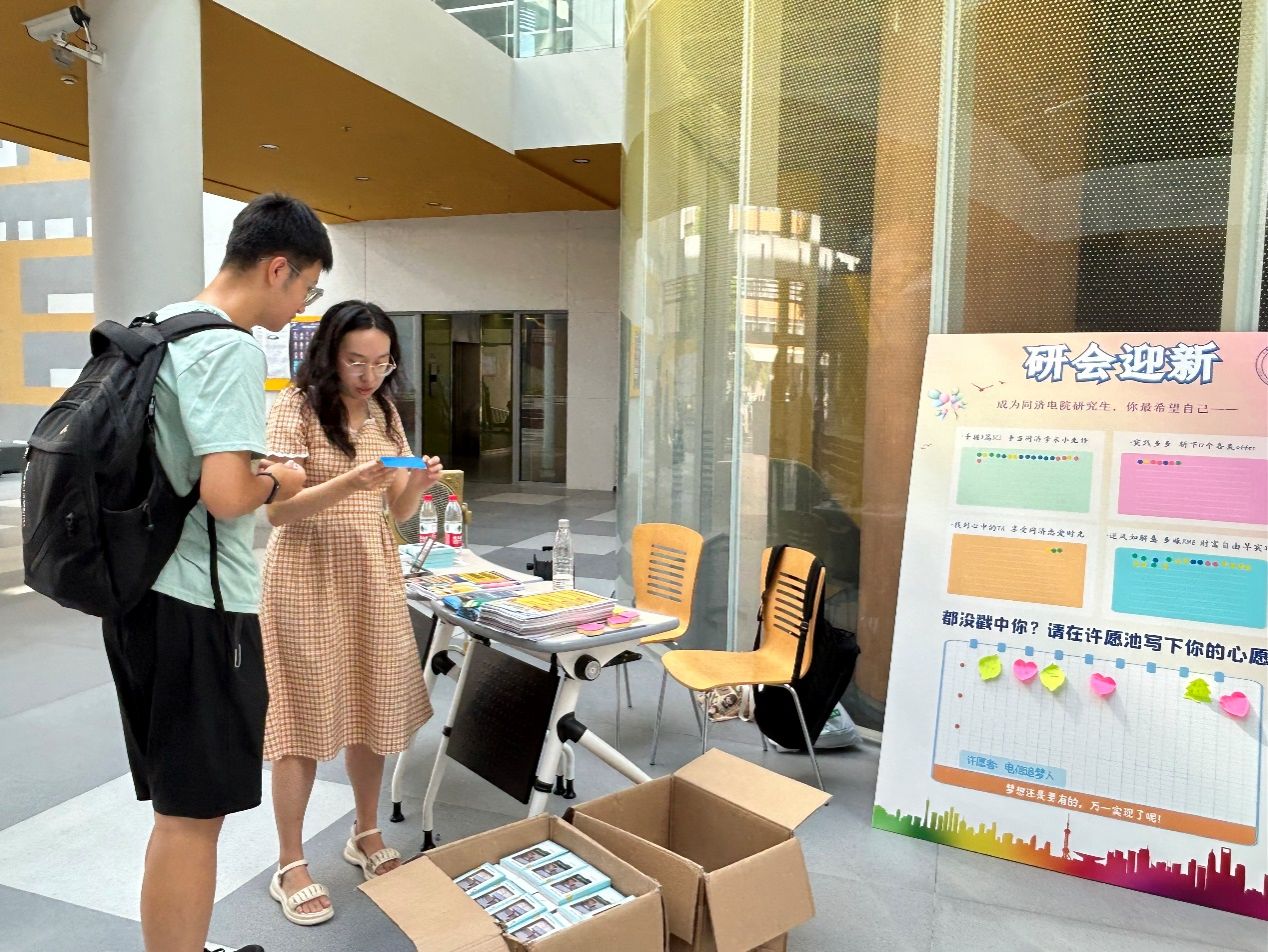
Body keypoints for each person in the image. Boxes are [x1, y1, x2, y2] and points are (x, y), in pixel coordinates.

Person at [101, 193, 332, 952]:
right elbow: (228, 495)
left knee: (179, 809)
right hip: (200, 607)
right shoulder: (230, 348)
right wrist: (282, 479)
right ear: (278, 268)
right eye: (306, 290)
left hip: (142, 593)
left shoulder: (163, 326)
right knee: (194, 818)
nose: (300, 308)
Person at [259, 300, 442, 925]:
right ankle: (290, 861)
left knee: (373, 705)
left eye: (382, 363)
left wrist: (419, 483)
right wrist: (350, 482)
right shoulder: (296, 408)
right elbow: (277, 512)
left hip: (372, 574)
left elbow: (398, 511)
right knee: (301, 718)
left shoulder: (386, 411)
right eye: (356, 362)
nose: (369, 375)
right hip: (305, 578)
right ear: (329, 356)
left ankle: (366, 832)